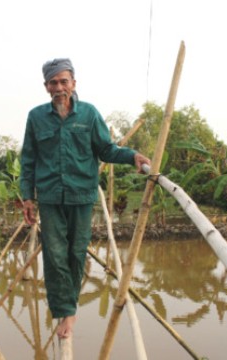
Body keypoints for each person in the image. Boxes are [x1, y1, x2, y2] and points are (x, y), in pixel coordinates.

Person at [19, 58, 151, 339]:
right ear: (46, 87)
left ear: (73, 84)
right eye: (53, 82)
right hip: (51, 197)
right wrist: (27, 198)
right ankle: (63, 311)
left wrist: (132, 157)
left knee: (76, 252)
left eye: (64, 81)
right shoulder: (36, 117)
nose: (59, 87)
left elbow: (106, 149)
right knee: (54, 256)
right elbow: (28, 160)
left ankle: (70, 308)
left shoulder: (89, 115)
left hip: (81, 196)